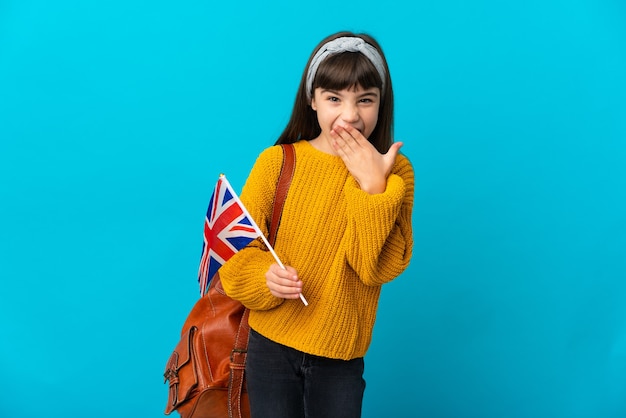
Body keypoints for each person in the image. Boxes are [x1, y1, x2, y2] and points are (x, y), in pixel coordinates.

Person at [219, 31, 414, 418]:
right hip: (270, 345)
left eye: (365, 99)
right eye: (334, 98)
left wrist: (372, 187)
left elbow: (375, 267)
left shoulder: (395, 173)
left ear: (381, 103)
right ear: (312, 100)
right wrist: (265, 278)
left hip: (340, 356)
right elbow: (237, 255)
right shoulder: (277, 162)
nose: (350, 114)